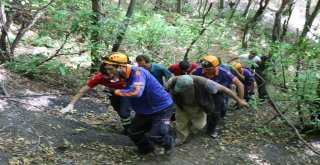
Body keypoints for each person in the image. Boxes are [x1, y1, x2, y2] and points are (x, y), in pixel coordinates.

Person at [102, 52, 175, 156]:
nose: (108, 72)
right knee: (134, 133)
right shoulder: (123, 75)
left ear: (120, 67)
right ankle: (147, 149)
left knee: (156, 135)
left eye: (110, 69)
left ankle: (169, 142)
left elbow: (136, 92)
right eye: (107, 69)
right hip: (144, 110)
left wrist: (115, 91)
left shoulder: (137, 72)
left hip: (162, 108)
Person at [165, 75, 249, 144]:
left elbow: (225, 89)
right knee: (181, 124)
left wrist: (239, 100)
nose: (179, 91)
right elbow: (163, 90)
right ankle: (180, 139)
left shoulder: (204, 83)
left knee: (199, 126)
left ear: (191, 84)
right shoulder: (173, 81)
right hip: (181, 106)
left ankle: (190, 129)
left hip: (198, 107)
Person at [60, 58, 132, 135]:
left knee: (124, 113)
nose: (107, 77)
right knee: (120, 111)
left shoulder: (123, 74)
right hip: (114, 95)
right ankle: (128, 127)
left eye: (109, 74)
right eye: (105, 75)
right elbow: (83, 90)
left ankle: (130, 131)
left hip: (127, 92)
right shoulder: (99, 77)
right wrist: (71, 104)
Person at [191, 55, 245, 137]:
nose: (206, 71)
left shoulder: (224, 73)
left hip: (220, 92)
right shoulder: (197, 70)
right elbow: (188, 79)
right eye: (205, 69)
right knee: (204, 108)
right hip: (203, 91)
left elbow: (240, 84)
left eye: (209, 70)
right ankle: (209, 124)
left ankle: (212, 127)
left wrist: (240, 100)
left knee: (219, 111)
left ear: (216, 66)